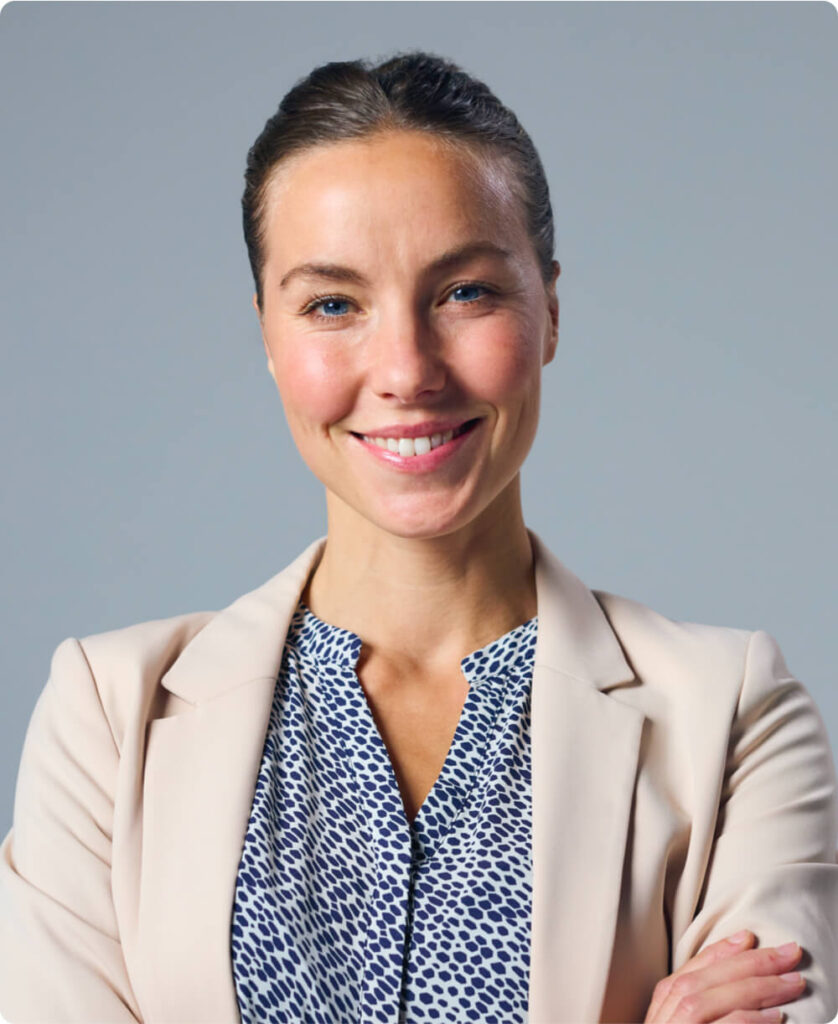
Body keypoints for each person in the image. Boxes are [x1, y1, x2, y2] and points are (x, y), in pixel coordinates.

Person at [0, 50, 836, 1024]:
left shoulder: (730, 714)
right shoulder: (109, 718)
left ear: (550, 309)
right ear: (267, 335)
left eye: (465, 291)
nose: (404, 369)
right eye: (332, 304)